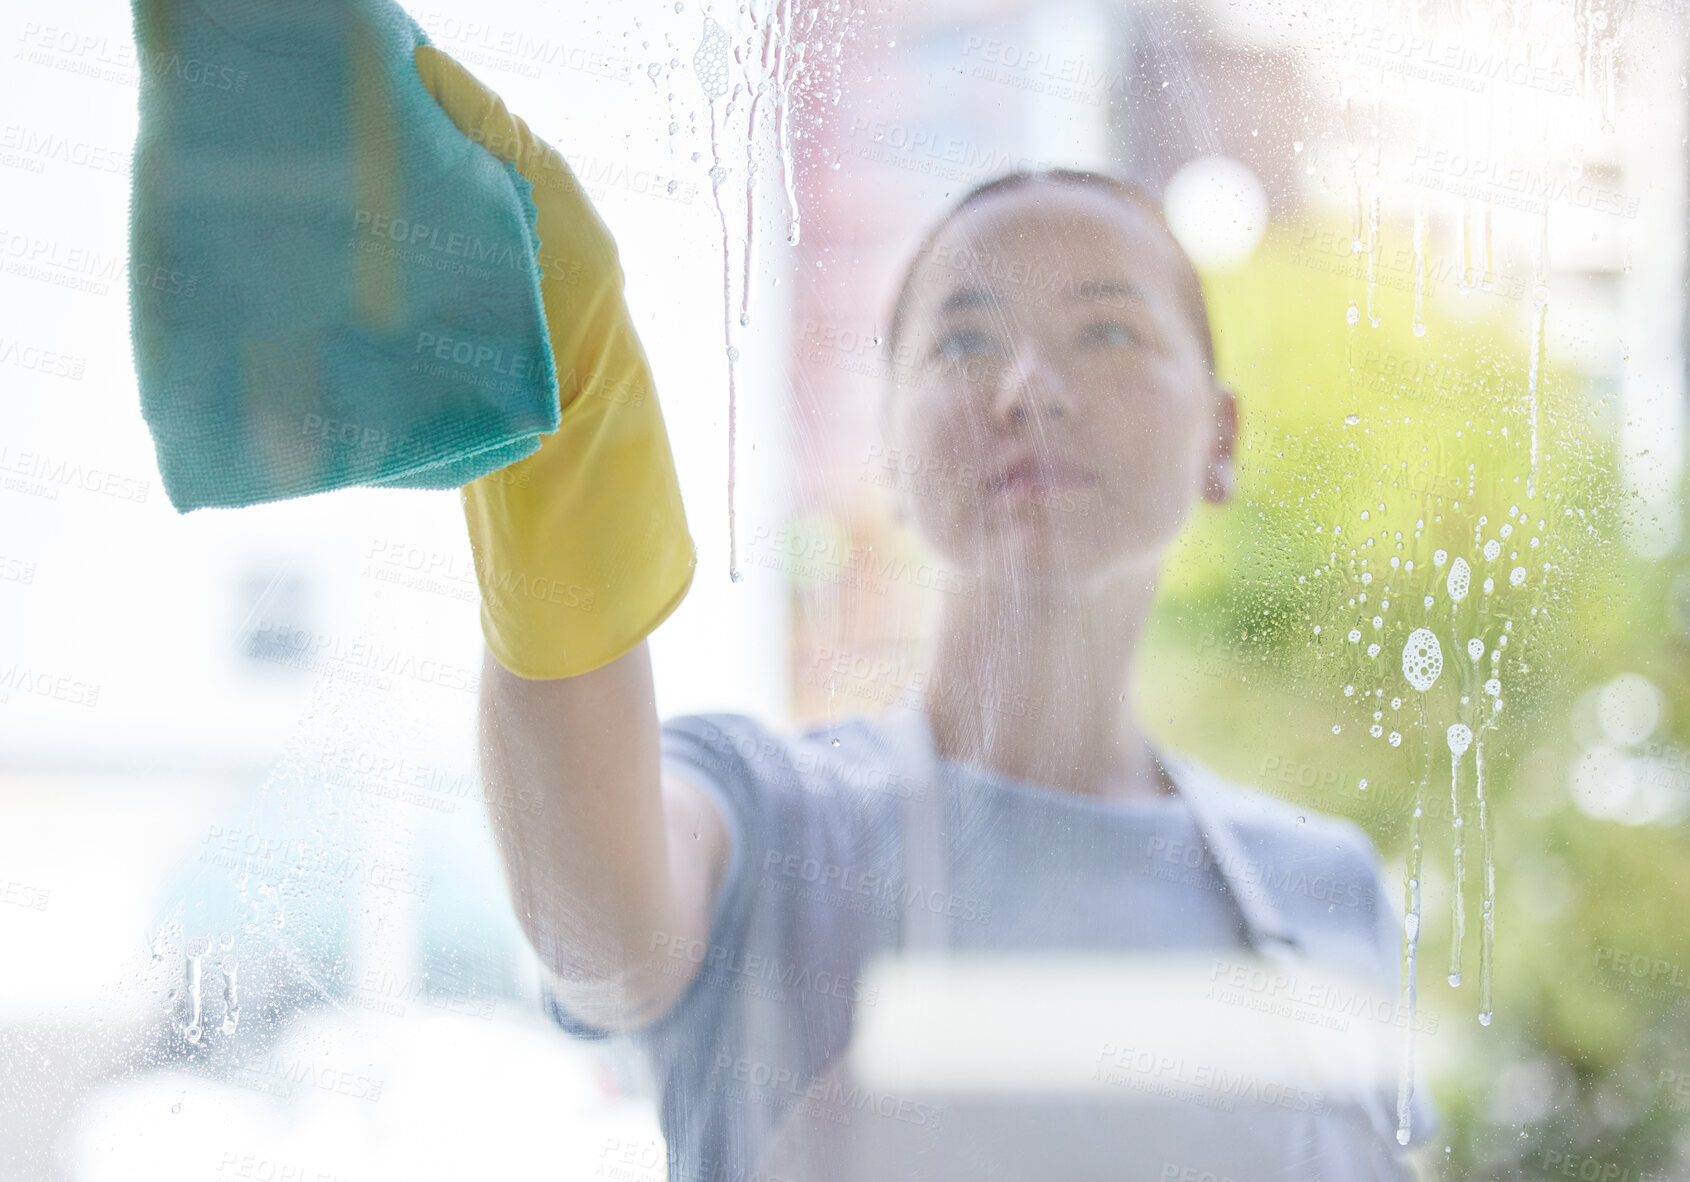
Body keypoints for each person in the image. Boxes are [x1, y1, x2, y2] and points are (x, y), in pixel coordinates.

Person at [413, 45, 1439, 1182]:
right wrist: (552, 446)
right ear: (889, 456)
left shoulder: (1323, 890)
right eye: (963, 340)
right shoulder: (770, 816)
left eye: (1107, 331)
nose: (1028, 389)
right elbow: (599, 939)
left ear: (1221, 436)